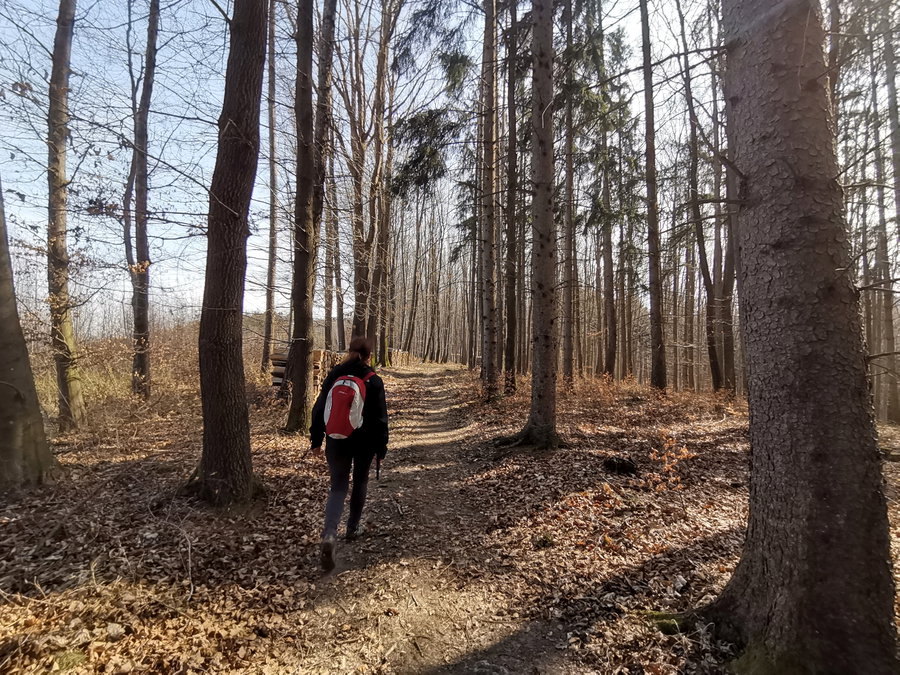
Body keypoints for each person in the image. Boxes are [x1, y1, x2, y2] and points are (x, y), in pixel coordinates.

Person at [309, 336, 388, 571]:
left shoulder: (334, 374)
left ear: (350, 351)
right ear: (369, 356)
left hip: (336, 439)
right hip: (364, 442)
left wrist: (316, 439)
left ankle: (330, 534)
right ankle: (353, 529)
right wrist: (381, 448)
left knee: (338, 486)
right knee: (360, 481)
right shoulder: (373, 380)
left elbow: (320, 407)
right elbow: (380, 419)